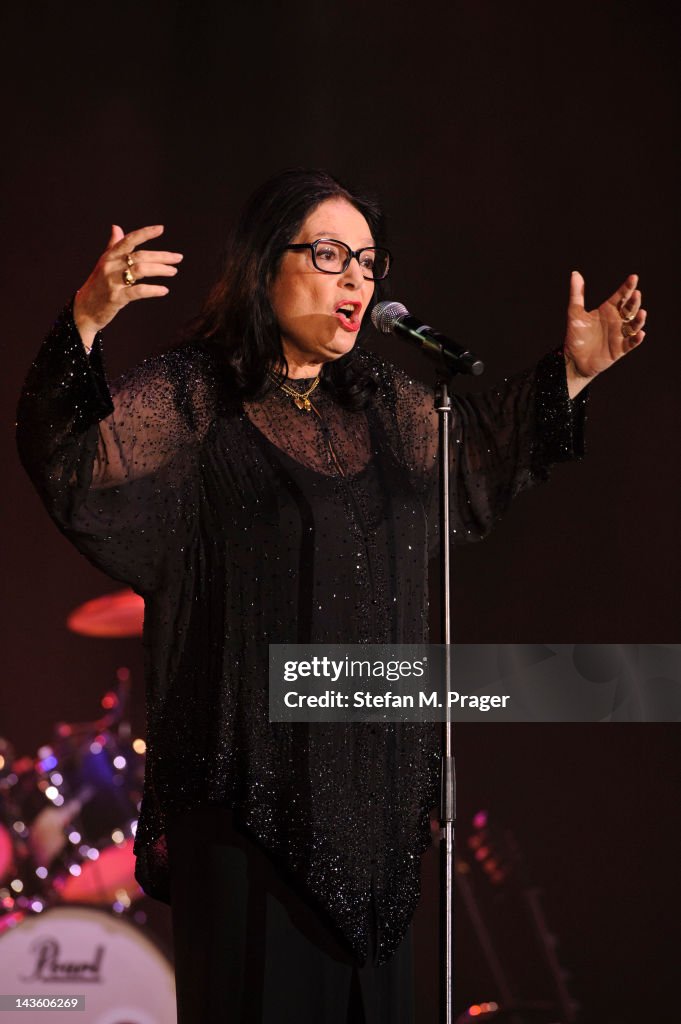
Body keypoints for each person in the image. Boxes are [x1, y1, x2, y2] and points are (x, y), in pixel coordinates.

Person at [16, 169, 646, 1024]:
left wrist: (571, 373)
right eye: (328, 255)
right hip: (248, 810)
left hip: (370, 819)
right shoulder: (202, 395)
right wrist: (87, 320)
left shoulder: (382, 404)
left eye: (367, 262)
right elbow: (74, 461)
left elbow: (478, 460)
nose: (355, 279)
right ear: (262, 266)